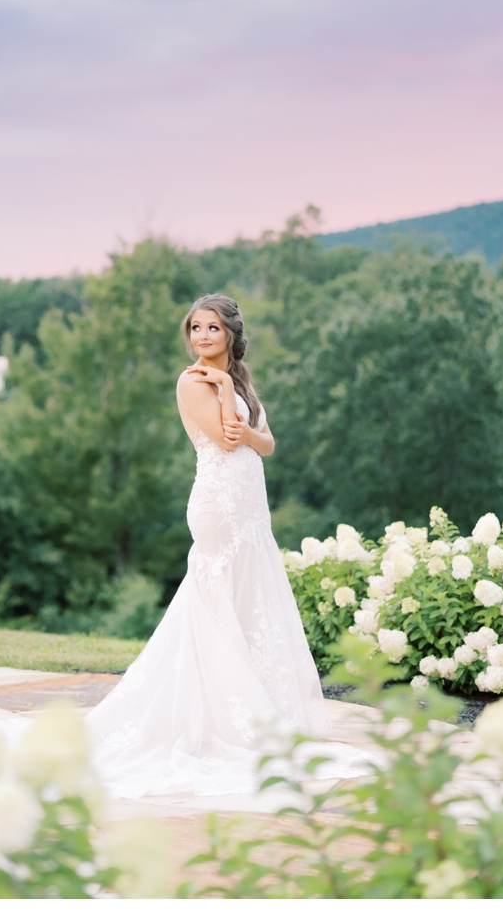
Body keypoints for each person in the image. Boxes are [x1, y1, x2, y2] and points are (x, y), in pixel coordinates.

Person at [84, 294, 368, 798]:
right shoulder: (193, 381)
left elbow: (267, 441)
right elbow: (227, 438)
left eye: (212, 328)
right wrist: (219, 390)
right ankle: (216, 720)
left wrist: (235, 398)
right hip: (217, 505)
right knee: (213, 603)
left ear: (231, 334)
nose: (202, 337)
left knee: (250, 603)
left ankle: (247, 710)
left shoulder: (239, 380)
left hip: (251, 507)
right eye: (195, 328)